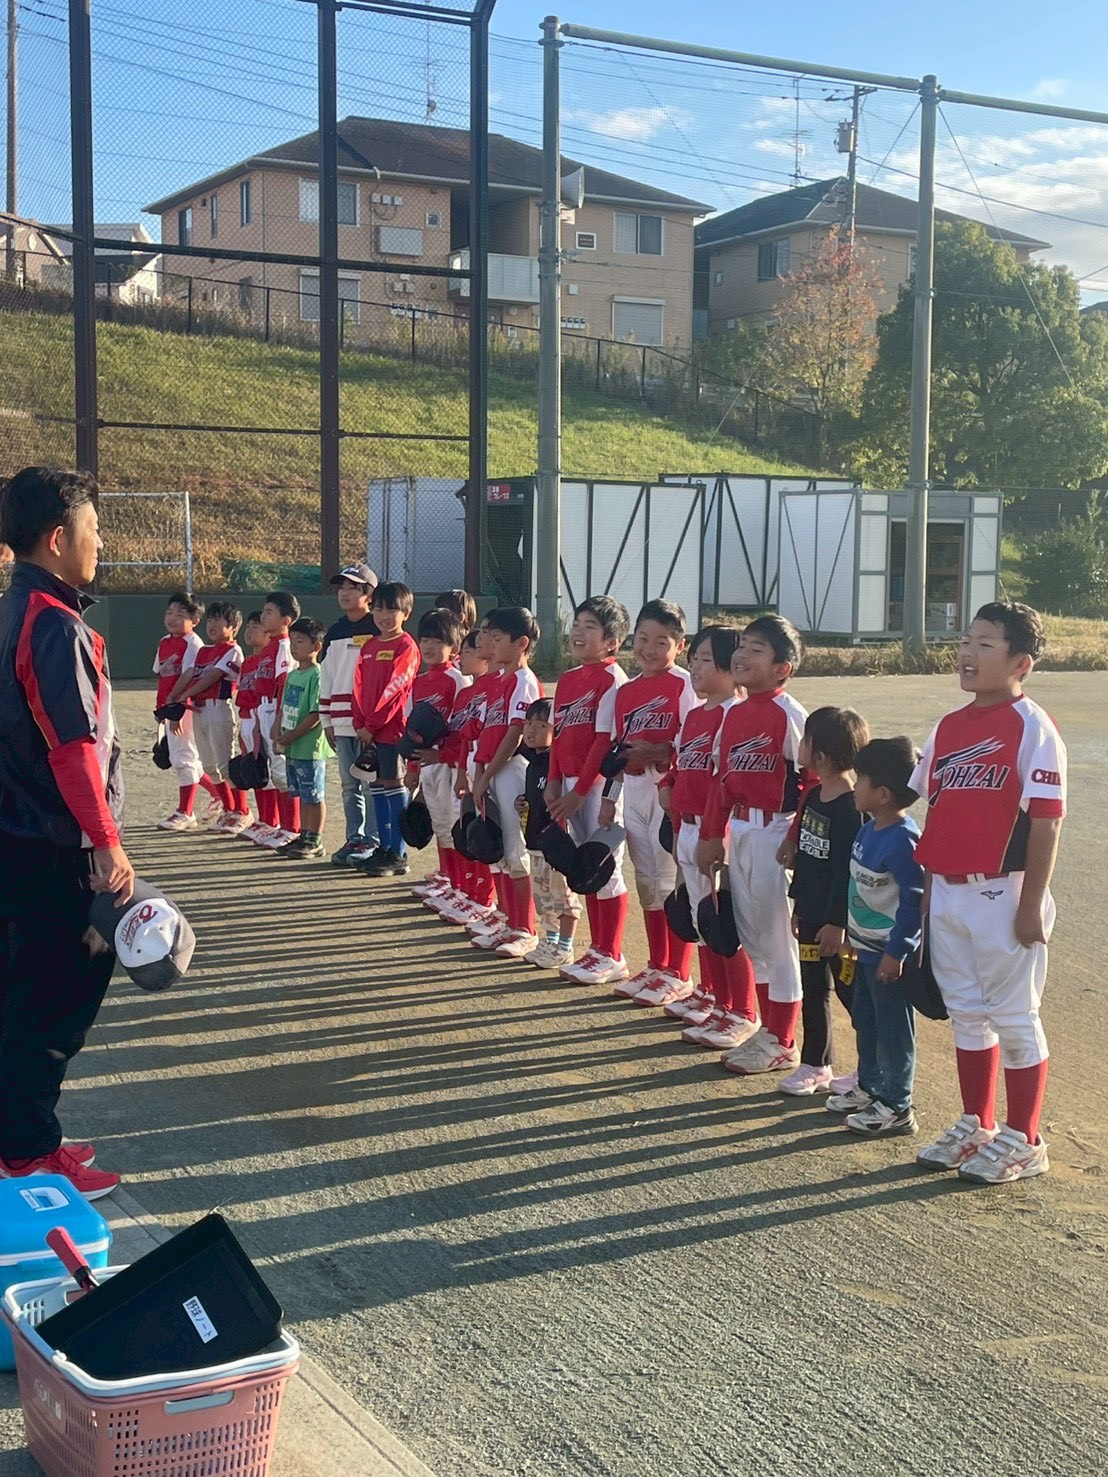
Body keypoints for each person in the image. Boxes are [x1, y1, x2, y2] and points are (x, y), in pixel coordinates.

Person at [0, 466, 133, 1198]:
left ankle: (25, 1135)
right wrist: (106, 841)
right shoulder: (52, 623)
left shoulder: (10, 610)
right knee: (54, 1001)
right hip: (54, 846)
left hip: (17, 839)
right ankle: (26, 1153)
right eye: (94, 529)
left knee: (21, 992)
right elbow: (74, 748)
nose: (100, 542)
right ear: (58, 538)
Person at [912, 602, 1066, 1184]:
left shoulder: (1033, 727)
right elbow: (936, 811)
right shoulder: (948, 727)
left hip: (1006, 892)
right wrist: (930, 890)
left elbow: (1047, 821)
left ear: (1021, 662)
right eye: (965, 641)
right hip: (950, 891)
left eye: (985, 644)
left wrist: (1031, 905)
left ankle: (1025, 1139)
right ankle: (977, 1123)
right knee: (967, 1014)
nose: (968, 654)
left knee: (1015, 1017)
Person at [699, 615, 810, 1075]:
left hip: (776, 832)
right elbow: (721, 782)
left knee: (777, 942)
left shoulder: (790, 713)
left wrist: (794, 837)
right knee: (753, 939)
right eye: (742, 646)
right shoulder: (735, 713)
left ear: (783, 668)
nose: (742, 655)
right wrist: (711, 835)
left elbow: (813, 782)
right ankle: (768, 1031)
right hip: (741, 830)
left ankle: (783, 1040)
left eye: (756, 649)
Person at [657, 625, 759, 1047]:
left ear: (731, 668)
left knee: (724, 923)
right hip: (687, 826)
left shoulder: (734, 714)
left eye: (705, 659)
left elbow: (726, 781)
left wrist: (714, 834)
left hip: (716, 831)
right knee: (702, 919)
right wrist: (668, 787)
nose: (695, 667)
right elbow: (680, 764)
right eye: (694, 658)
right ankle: (717, 998)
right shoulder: (696, 714)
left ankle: (742, 1010)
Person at [825, 737, 924, 1138]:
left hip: (888, 958)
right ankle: (870, 1088)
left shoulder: (903, 840)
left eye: (860, 778)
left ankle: (898, 1105)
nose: (854, 785)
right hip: (863, 950)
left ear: (882, 794)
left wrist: (897, 953)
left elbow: (914, 903)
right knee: (865, 1021)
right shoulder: (868, 829)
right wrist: (850, 936)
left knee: (893, 1030)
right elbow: (859, 890)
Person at [603, 599, 698, 998]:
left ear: (680, 645)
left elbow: (695, 744)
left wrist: (660, 751)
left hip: (668, 792)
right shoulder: (626, 691)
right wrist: (610, 797)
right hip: (635, 792)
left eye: (662, 642)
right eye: (643, 638)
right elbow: (618, 750)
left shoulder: (685, 684)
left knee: (670, 882)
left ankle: (678, 971)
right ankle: (657, 964)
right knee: (646, 880)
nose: (649, 649)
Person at [776, 706, 869, 1096]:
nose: (799, 745)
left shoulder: (851, 808)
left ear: (823, 756)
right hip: (811, 917)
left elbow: (848, 874)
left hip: (838, 927)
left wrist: (837, 923)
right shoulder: (813, 795)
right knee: (813, 989)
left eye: (806, 740)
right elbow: (807, 861)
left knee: (854, 995)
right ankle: (816, 1064)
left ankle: (872, 1068)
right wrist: (799, 906)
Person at [546, 595, 632, 986]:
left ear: (612, 641)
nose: (578, 632)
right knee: (584, 866)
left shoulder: (612, 678)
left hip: (596, 786)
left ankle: (611, 953)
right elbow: (559, 735)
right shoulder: (568, 679)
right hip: (568, 782)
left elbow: (603, 741)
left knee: (604, 866)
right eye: (577, 624)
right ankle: (597, 949)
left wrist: (580, 790)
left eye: (590, 627)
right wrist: (553, 779)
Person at [470, 606, 544, 958]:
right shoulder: (499, 680)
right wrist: (479, 772)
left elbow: (515, 735)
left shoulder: (523, 680)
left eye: (497, 638)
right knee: (498, 849)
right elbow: (488, 732)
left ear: (521, 643)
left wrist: (486, 774)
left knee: (515, 850)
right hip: (492, 770)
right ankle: (508, 920)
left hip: (513, 770)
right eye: (488, 636)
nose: (490, 642)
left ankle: (525, 929)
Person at [351, 581, 420, 878]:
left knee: (393, 785)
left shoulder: (406, 647)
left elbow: (396, 690)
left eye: (391, 610)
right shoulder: (368, 646)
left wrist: (372, 724)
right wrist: (359, 723)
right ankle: (384, 847)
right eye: (378, 609)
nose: (384, 616)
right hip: (369, 732)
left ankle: (398, 853)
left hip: (392, 731)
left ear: (406, 613)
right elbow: (357, 686)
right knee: (377, 787)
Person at [319, 563, 380, 867]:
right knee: (348, 786)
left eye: (353, 587)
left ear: (369, 594)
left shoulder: (379, 630)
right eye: (341, 587)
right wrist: (327, 719)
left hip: (371, 724)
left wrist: (374, 721)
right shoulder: (335, 632)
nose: (345, 593)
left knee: (370, 785)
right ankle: (354, 838)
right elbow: (327, 677)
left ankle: (373, 840)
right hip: (341, 722)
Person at [406, 607, 466, 908]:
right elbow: (411, 730)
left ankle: (463, 888)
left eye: (437, 641)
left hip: (449, 764)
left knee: (454, 826)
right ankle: (450, 883)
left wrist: (443, 755)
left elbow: (461, 728)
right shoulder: (418, 682)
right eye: (425, 639)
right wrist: (412, 767)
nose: (428, 646)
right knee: (441, 825)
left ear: (454, 648)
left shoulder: (457, 680)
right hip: (428, 764)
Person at [517, 698, 581, 969]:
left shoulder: (559, 762)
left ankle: (565, 946)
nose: (532, 729)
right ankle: (550, 941)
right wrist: (521, 804)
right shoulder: (533, 762)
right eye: (529, 723)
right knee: (544, 899)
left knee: (562, 896)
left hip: (556, 844)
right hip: (535, 843)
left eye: (542, 725)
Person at [177, 600, 250, 834]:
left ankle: (242, 811)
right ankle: (228, 809)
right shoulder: (203, 651)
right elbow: (194, 676)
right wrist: (178, 698)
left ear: (234, 627)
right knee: (209, 765)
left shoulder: (233, 650)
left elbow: (213, 677)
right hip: (199, 710)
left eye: (219, 620)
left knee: (225, 764)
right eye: (210, 619)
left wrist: (183, 696)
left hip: (218, 708)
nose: (212, 624)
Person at [272, 616, 333, 859]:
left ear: (316, 646)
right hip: (292, 746)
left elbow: (316, 714)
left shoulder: (317, 675)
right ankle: (304, 833)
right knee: (302, 794)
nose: (294, 646)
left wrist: (292, 735)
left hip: (309, 748)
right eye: (293, 640)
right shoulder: (293, 675)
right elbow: (282, 706)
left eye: (301, 641)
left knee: (314, 795)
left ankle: (315, 839)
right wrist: (277, 732)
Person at [153, 591, 209, 832]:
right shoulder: (165, 641)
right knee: (188, 759)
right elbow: (161, 676)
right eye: (170, 612)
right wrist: (161, 709)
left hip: (183, 706)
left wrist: (176, 707)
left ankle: (185, 812)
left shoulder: (193, 643)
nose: (172, 618)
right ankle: (220, 797)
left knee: (183, 759)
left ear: (194, 621)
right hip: (170, 706)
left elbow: (189, 676)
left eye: (180, 614)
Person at [254, 591, 300, 848]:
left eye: (269, 612)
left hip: (276, 706)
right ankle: (282, 825)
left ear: (286, 620)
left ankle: (292, 828)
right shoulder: (270, 645)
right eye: (264, 611)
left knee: (282, 771)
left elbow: (283, 683)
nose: (263, 616)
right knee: (275, 771)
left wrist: (278, 719)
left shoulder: (284, 645)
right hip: (265, 706)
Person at [234, 611, 281, 844]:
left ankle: (272, 820)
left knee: (267, 771)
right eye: (249, 626)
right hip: (247, 716)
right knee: (253, 769)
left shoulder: (271, 657)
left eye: (256, 626)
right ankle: (263, 819)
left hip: (261, 713)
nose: (250, 631)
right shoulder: (249, 662)